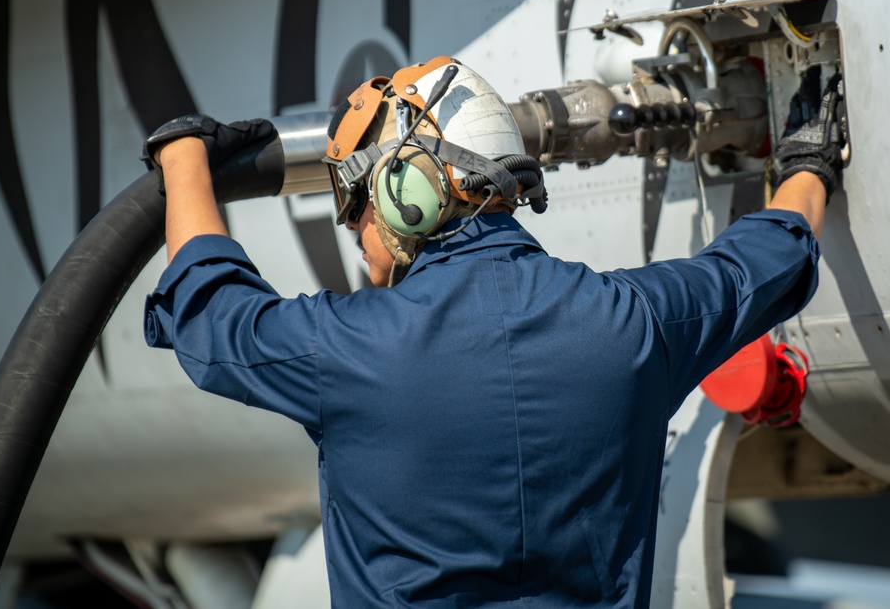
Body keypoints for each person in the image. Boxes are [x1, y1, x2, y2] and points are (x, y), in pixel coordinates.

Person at [141, 56, 844, 607]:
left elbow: (212, 309)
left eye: (354, 198)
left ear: (406, 192)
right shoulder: (634, 326)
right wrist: (807, 164)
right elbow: (763, 263)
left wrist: (184, 157)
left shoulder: (351, 352)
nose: (349, 225)